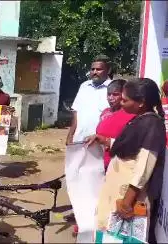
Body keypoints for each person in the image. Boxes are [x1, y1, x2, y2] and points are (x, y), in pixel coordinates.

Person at [94, 78, 166, 243]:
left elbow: (144, 166)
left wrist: (127, 202)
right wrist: (105, 140)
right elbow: (130, 146)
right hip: (118, 188)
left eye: (125, 100)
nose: (121, 102)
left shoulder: (152, 124)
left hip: (127, 193)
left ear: (141, 102)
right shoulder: (140, 118)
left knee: (121, 237)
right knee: (109, 233)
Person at [65, 55, 112, 235]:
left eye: (98, 69)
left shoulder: (113, 90)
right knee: (77, 178)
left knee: (96, 182)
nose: (94, 72)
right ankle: (80, 215)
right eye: (92, 69)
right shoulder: (84, 86)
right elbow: (76, 113)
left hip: (99, 143)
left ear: (107, 69)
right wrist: (70, 134)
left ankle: (92, 222)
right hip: (79, 140)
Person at [85, 79, 136, 170]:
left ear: (124, 95)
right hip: (99, 162)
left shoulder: (131, 115)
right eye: (109, 94)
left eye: (115, 94)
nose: (111, 98)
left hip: (118, 164)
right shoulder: (105, 112)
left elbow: (130, 143)